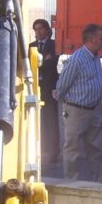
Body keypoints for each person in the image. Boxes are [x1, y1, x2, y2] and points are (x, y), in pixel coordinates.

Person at [54, 23, 102, 182]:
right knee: (72, 149)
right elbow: (62, 84)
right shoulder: (77, 59)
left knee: (95, 149)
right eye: (101, 38)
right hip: (76, 110)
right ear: (90, 39)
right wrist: (66, 105)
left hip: (92, 110)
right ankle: (71, 181)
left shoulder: (95, 57)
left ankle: (99, 182)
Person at [30, 18, 60, 163]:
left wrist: (41, 63)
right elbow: (29, 66)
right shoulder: (31, 46)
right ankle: (39, 150)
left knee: (51, 120)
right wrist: (43, 62)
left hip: (50, 89)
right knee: (36, 120)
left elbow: (51, 64)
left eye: (41, 28)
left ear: (47, 29)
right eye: (35, 29)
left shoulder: (54, 45)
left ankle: (53, 152)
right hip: (35, 88)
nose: (38, 32)